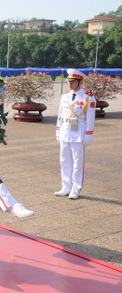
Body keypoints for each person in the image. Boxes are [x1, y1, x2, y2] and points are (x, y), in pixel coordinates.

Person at [55, 69, 96, 200]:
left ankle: (76, 187)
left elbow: (90, 118)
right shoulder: (65, 96)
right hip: (65, 131)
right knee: (64, 160)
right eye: (69, 81)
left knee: (78, 162)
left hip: (79, 132)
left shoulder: (88, 97)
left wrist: (88, 135)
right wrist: (58, 131)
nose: (70, 84)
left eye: (73, 81)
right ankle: (65, 186)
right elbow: (60, 115)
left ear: (79, 82)